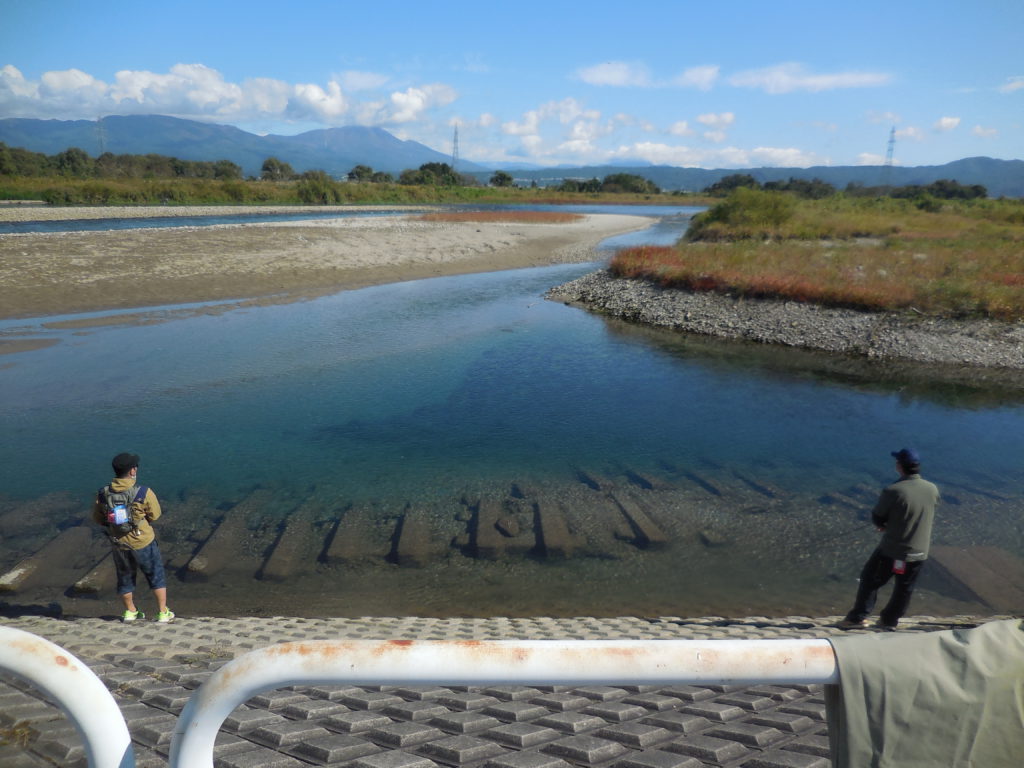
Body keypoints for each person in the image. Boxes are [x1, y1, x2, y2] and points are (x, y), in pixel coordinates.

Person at [837, 448, 940, 631]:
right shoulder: (932, 488)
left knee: (869, 580)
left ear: (899, 466)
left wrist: (883, 524)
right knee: (904, 588)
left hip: (893, 550)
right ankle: (889, 621)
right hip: (920, 551)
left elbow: (878, 516)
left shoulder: (893, 490)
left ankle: (857, 618)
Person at [92, 452, 174, 623]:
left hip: (119, 544)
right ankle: (162, 612)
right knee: (156, 575)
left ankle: (130, 611)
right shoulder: (143, 492)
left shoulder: (103, 493)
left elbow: (99, 519)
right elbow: (155, 515)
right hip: (143, 541)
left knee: (125, 578)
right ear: (132, 471)